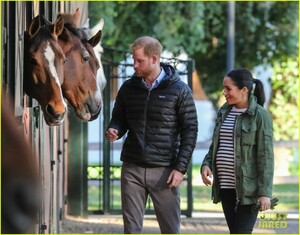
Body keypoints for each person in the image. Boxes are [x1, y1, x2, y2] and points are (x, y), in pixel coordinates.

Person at [106, 36, 198, 234]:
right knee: (131, 230)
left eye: (140, 61)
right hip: (132, 168)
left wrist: (180, 168)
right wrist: (115, 129)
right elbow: (119, 118)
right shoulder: (128, 88)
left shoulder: (179, 90)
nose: (134, 65)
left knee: (170, 230)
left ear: (154, 59)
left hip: (164, 171)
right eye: (133, 59)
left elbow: (190, 131)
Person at [201, 68, 274, 234]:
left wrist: (265, 193)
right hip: (226, 186)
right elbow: (216, 145)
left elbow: (266, 157)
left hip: (248, 189)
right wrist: (207, 164)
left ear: (244, 90)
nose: (223, 92)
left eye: (228, 88)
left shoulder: (260, 116)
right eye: (223, 88)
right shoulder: (224, 112)